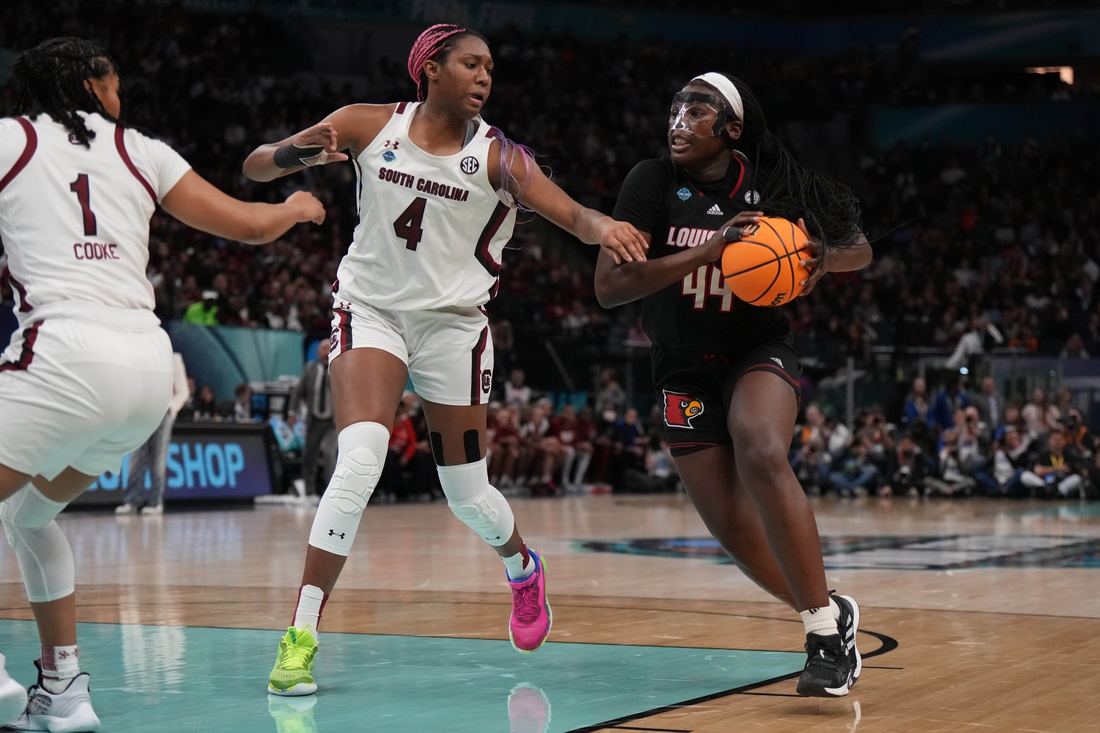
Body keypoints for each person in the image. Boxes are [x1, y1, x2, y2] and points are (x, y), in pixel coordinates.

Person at [242, 24, 648, 696]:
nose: (485, 76)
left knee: (468, 496)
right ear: (429, 69)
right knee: (362, 459)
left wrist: (606, 227)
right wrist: (298, 153)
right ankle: (301, 635)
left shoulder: (500, 158)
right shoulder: (366, 125)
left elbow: (573, 214)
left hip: (454, 328)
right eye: (470, 63)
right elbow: (257, 166)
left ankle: (521, 565)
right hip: (370, 311)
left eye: (490, 66)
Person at [0, 37, 324, 731]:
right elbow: (246, 223)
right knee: (26, 514)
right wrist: (296, 208)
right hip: (147, 372)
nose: (121, 96)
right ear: (88, 84)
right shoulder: (141, 151)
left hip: (62, 353)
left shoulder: (10, 140)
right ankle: (63, 692)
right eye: (113, 83)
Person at [595, 71, 871, 696]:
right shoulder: (651, 182)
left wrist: (816, 258)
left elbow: (860, 251)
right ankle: (831, 607)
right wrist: (707, 251)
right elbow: (610, 288)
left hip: (755, 347)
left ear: (733, 129)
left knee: (761, 447)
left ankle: (824, 636)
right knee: (739, 538)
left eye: (696, 112)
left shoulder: (774, 182)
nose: (678, 122)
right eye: (674, 110)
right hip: (681, 364)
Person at [116, 352, 190, 515]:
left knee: (158, 458)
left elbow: (183, 391)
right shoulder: (140, 357)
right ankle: (132, 501)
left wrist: (171, 408)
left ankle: (155, 503)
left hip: (162, 413)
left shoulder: (173, 358)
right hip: (141, 413)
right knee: (136, 458)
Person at [294, 339, 336, 497]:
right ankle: (309, 492)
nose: (326, 351)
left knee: (329, 454)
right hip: (315, 419)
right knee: (309, 455)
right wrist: (292, 412)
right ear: (318, 353)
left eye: (329, 348)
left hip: (333, 420)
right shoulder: (310, 369)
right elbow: (298, 391)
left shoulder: (338, 367)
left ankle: (330, 492)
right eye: (323, 348)